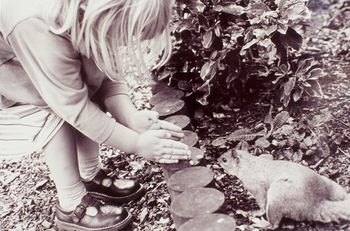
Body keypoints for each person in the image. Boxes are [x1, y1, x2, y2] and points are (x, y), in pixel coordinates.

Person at [0, 0, 191, 230]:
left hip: (34, 55)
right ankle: (70, 205)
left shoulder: (86, 13)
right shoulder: (38, 24)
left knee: (82, 83)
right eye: (122, 34)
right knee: (51, 108)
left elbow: (102, 71)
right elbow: (75, 109)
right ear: (107, 13)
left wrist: (131, 118)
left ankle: (89, 173)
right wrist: (137, 143)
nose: (122, 43)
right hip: (10, 72)